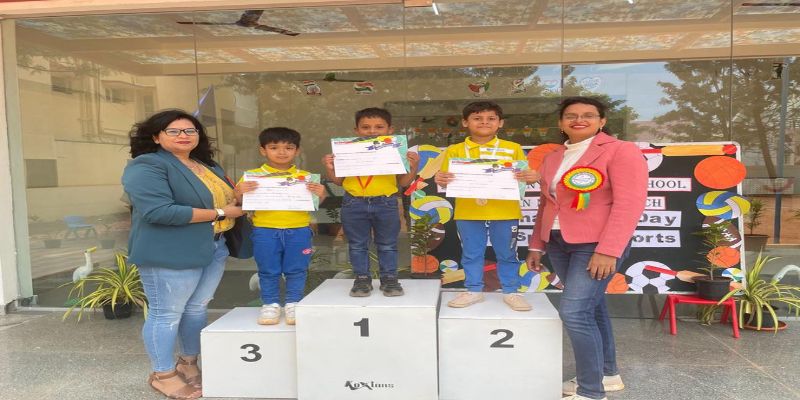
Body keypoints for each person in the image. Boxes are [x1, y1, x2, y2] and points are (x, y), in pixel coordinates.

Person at [122, 109, 255, 399]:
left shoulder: (206, 165)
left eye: (190, 130)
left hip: (214, 246)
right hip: (170, 251)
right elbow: (159, 211)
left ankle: (188, 363)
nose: (183, 135)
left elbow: (225, 201)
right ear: (156, 137)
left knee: (196, 309)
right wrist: (221, 212)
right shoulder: (147, 165)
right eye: (174, 131)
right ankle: (163, 374)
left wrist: (242, 196)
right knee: (166, 314)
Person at [525, 97, 648, 400]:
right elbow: (545, 204)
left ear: (602, 121)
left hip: (595, 244)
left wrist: (609, 250)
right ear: (561, 123)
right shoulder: (553, 156)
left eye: (588, 115)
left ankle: (591, 391)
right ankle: (607, 375)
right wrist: (537, 245)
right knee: (592, 307)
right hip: (558, 242)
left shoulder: (621, 150)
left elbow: (629, 204)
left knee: (575, 312)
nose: (579, 120)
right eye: (571, 115)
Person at [434, 101, 540, 311]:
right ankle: (474, 290)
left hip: (505, 211)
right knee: (471, 253)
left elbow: (524, 177)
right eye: (477, 118)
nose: (484, 122)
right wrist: (441, 179)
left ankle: (511, 291)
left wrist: (531, 177)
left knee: (507, 253)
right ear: (465, 122)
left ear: (500, 123)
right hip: (468, 212)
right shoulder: (455, 150)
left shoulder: (513, 148)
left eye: (491, 118)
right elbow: (446, 180)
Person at [323, 107, 419, 297]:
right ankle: (361, 280)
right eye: (365, 127)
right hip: (353, 203)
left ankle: (389, 279)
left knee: (388, 244)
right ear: (356, 130)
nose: (372, 131)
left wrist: (414, 166)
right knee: (357, 244)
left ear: (390, 130)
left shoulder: (395, 151)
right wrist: (329, 167)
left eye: (379, 127)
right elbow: (339, 182)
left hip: (385, 203)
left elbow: (403, 183)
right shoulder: (347, 151)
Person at [244, 127, 326, 325]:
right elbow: (241, 201)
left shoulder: (305, 177)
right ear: (263, 150)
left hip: (299, 230)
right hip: (264, 230)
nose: (281, 152)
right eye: (274, 147)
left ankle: (293, 303)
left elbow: (315, 202)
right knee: (268, 269)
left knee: (297, 269)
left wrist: (321, 194)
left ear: (297, 151)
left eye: (288, 148)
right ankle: (270, 304)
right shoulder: (253, 177)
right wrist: (239, 192)